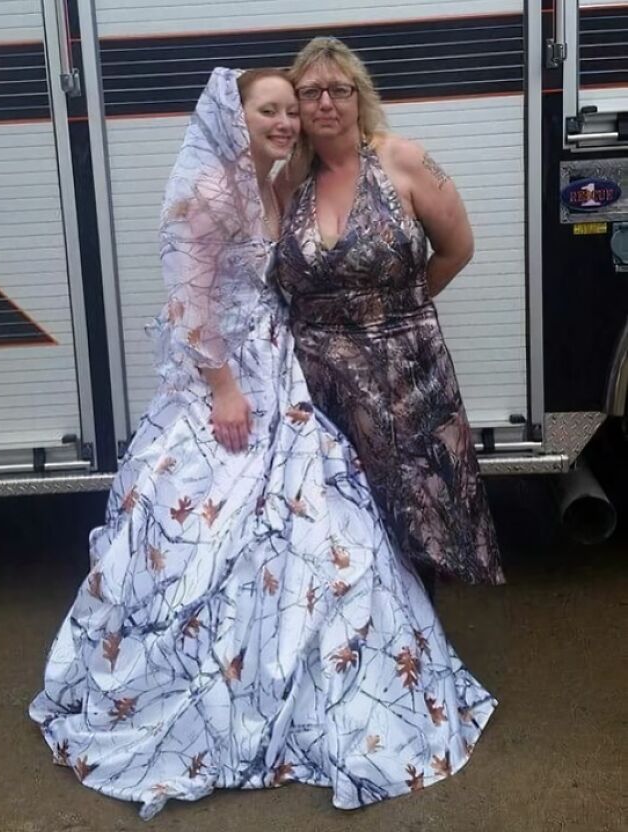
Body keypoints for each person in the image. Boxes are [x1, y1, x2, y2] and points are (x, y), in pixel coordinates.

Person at [29, 67, 496, 820]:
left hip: (282, 375)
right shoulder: (207, 191)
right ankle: (220, 681)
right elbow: (187, 305)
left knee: (323, 528)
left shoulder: (275, 184)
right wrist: (222, 390)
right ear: (233, 114)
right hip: (232, 389)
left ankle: (321, 672)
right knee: (217, 535)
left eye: (289, 110)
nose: (284, 121)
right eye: (268, 110)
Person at [275, 38, 504, 587]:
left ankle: (421, 628)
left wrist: (402, 310)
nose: (325, 102)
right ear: (296, 104)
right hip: (319, 382)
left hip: (408, 374)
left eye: (339, 90)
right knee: (340, 523)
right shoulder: (287, 181)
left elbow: (458, 248)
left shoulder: (403, 159)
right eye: (310, 92)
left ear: (360, 96)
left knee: (416, 517)